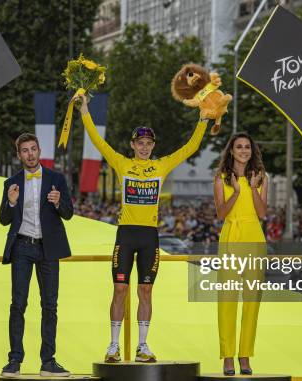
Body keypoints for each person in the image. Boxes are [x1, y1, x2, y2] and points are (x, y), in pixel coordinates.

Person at [74, 93, 208, 363]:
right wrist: (84, 109)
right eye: (140, 143)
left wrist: (203, 119)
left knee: (145, 291)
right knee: (120, 290)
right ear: (132, 145)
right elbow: (98, 142)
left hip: (149, 236)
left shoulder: (161, 165)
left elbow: (190, 148)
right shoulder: (122, 163)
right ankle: (113, 345)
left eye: (149, 143)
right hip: (126, 234)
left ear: (152, 145)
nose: (145, 147)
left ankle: (143, 346)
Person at [0, 133, 73, 377]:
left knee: (50, 306)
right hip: (22, 246)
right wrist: (10, 203)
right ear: (19, 154)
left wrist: (58, 201)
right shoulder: (11, 182)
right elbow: (3, 220)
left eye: (33, 149)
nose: (30, 154)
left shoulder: (56, 178)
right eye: (25, 150)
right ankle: (14, 360)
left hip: (48, 248)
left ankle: (48, 361)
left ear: (39, 151)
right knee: (18, 304)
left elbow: (68, 213)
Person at [213, 133, 267, 376]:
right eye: (239, 147)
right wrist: (235, 191)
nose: (244, 150)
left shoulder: (261, 178)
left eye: (247, 146)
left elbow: (263, 213)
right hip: (231, 237)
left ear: (251, 151)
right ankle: (227, 356)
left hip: (254, 237)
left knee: (252, 301)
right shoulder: (221, 178)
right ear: (231, 151)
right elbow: (221, 214)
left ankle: (245, 355)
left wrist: (253, 189)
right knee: (227, 300)